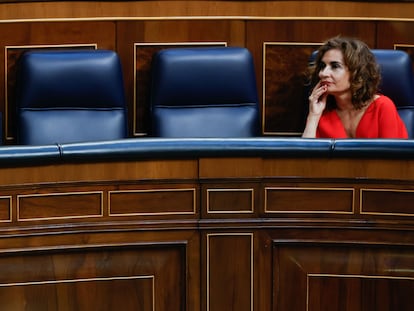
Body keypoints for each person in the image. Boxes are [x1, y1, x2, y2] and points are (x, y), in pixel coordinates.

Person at [302, 36, 408, 139]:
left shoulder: (383, 107)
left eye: (335, 66)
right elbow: (306, 155)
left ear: (356, 72)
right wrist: (313, 116)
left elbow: (392, 155)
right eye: (322, 66)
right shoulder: (321, 110)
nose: (323, 73)